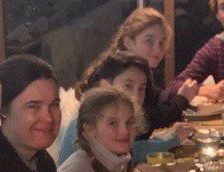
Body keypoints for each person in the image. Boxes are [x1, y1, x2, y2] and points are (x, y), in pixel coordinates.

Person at [57, 51, 188, 163]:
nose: (136, 96)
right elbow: (131, 154)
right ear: (105, 84)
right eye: (128, 86)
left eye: (141, 89)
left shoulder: (114, 113)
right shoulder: (92, 118)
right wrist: (170, 140)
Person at [109, 7, 200, 131]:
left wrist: (180, 93)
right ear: (129, 43)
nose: (158, 50)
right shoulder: (120, 72)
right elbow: (149, 121)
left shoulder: (139, 69)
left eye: (162, 42)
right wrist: (182, 99)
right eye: (149, 41)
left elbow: (157, 97)